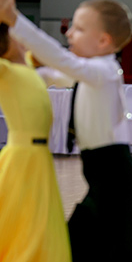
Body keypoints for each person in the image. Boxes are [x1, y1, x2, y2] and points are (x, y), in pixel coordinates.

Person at [0, 0, 132, 261]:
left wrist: (14, 20)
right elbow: (47, 73)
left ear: (103, 40)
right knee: (75, 246)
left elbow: (60, 60)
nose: (69, 34)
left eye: (78, 28)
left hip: (116, 182)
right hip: (104, 182)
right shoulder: (90, 71)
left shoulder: (105, 72)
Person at [0, 23, 72, 261]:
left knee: (40, 223)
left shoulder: (31, 65)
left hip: (40, 158)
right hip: (22, 158)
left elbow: (48, 51)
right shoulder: (6, 71)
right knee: (20, 222)